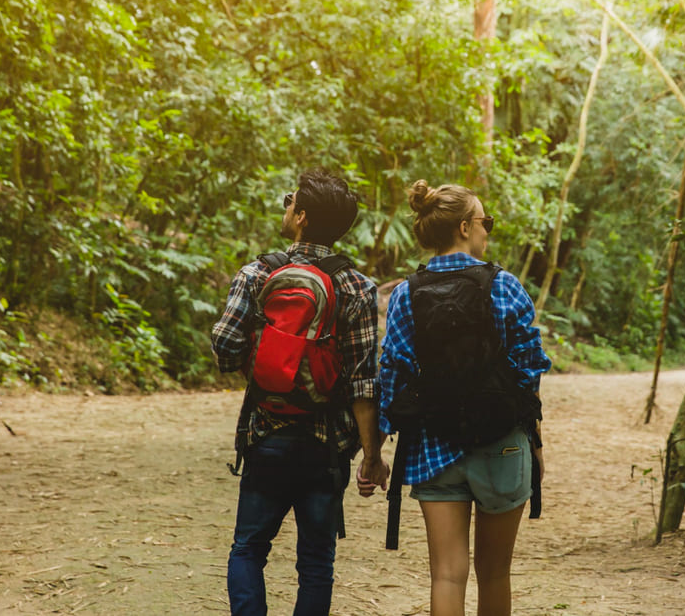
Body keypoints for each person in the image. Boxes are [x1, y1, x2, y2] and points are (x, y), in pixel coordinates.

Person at [211, 168, 390, 616]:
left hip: (265, 434)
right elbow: (364, 383)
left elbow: (226, 346)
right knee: (315, 564)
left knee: (248, 549)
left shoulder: (257, 273)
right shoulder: (357, 286)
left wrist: (266, 363)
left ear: (302, 216)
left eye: (290, 200)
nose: (286, 205)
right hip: (326, 446)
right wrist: (372, 455)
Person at [375, 180, 550, 616]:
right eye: (485, 222)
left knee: (447, 576)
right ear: (467, 226)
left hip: (432, 446)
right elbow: (529, 371)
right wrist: (537, 442)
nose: (487, 230)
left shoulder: (404, 294)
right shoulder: (504, 285)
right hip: (502, 443)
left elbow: (392, 375)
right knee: (494, 573)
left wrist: (372, 451)